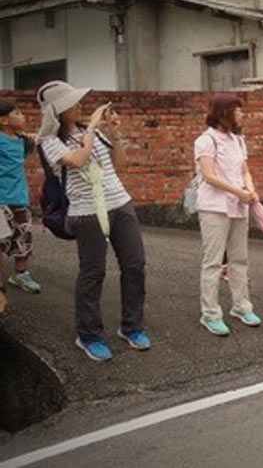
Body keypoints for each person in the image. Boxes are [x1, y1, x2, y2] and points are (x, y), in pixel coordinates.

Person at [37, 81, 150, 362]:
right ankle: (89, 335)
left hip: (120, 203)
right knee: (93, 273)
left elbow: (118, 164)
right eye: (72, 105)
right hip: (86, 211)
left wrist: (115, 134)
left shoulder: (93, 133)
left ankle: (131, 327)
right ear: (58, 112)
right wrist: (91, 129)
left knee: (135, 266)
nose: (79, 107)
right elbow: (76, 161)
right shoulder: (50, 141)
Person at [194, 94, 261, 336]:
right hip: (214, 207)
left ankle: (242, 307)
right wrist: (239, 192)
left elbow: (245, 171)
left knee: (239, 259)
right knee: (212, 262)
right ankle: (210, 314)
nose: (241, 115)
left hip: (238, 206)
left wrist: (250, 190)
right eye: (237, 110)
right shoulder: (205, 140)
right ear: (224, 113)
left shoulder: (237, 140)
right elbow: (209, 176)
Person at [0, 100, 39, 316]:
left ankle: (21, 273)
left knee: (23, 236)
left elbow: (22, 159)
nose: (23, 116)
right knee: (0, 241)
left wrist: (31, 142)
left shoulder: (23, 141)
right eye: (17, 113)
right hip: (0, 199)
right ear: (4, 121)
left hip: (19, 198)